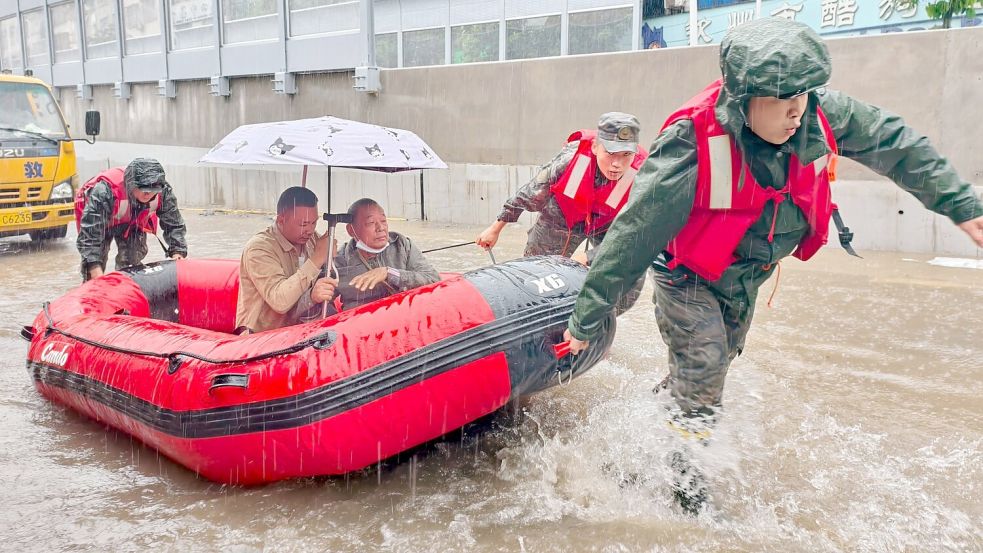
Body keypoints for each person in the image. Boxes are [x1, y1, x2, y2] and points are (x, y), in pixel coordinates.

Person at [561, 18, 983, 511]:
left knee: (705, 375)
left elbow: (898, 145)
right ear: (744, 99)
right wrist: (587, 317)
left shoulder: (819, 113)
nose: (796, 111)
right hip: (688, 276)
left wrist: (960, 204)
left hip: (746, 278)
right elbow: (634, 233)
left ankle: (641, 440)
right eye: (782, 100)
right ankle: (686, 497)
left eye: (803, 95)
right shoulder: (692, 140)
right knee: (703, 367)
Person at [475, 112, 650, 311]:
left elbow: (638, 237)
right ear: (595, 147)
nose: (617, 164)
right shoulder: (571, 160)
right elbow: (530, 193)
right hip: (563, 214)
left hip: (609, 222)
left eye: (626, 154)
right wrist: (495, 228)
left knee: (630, 278)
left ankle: (591, 319)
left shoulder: (645, 176)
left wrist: (589, 257)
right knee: (535, 274)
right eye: (610, 153)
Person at [235, 186, 338, 334]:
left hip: (300, 329)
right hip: (261, 336)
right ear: (281, 220)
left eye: (314, 223)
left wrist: (331, 258)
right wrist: (316, 259)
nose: (310, 230)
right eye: (303, 224)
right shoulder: (259, 248)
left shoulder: (311, 239)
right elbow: (279, 302)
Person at [75, 158, 188, 281]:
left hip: (132, 223)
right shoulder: (105, 191)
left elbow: (174, 224)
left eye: (153, 190)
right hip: (100, 224)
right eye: (144, 189)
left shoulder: (164, 191)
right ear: (131, 185)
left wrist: (178, 252)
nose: (148, 194)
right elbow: (90, 234)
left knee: (132, 260)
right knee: (95, 265)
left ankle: (126, 285)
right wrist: (95, 269)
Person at [325, 198, 439, 312]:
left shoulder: (402, 245)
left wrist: (390, 273)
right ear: (351, 230)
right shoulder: (338, 262)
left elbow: (433, 279)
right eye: (370, 223)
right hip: (362, 321)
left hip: (403, 316)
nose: (381, 228)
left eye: (383, 221)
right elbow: (323, 304)